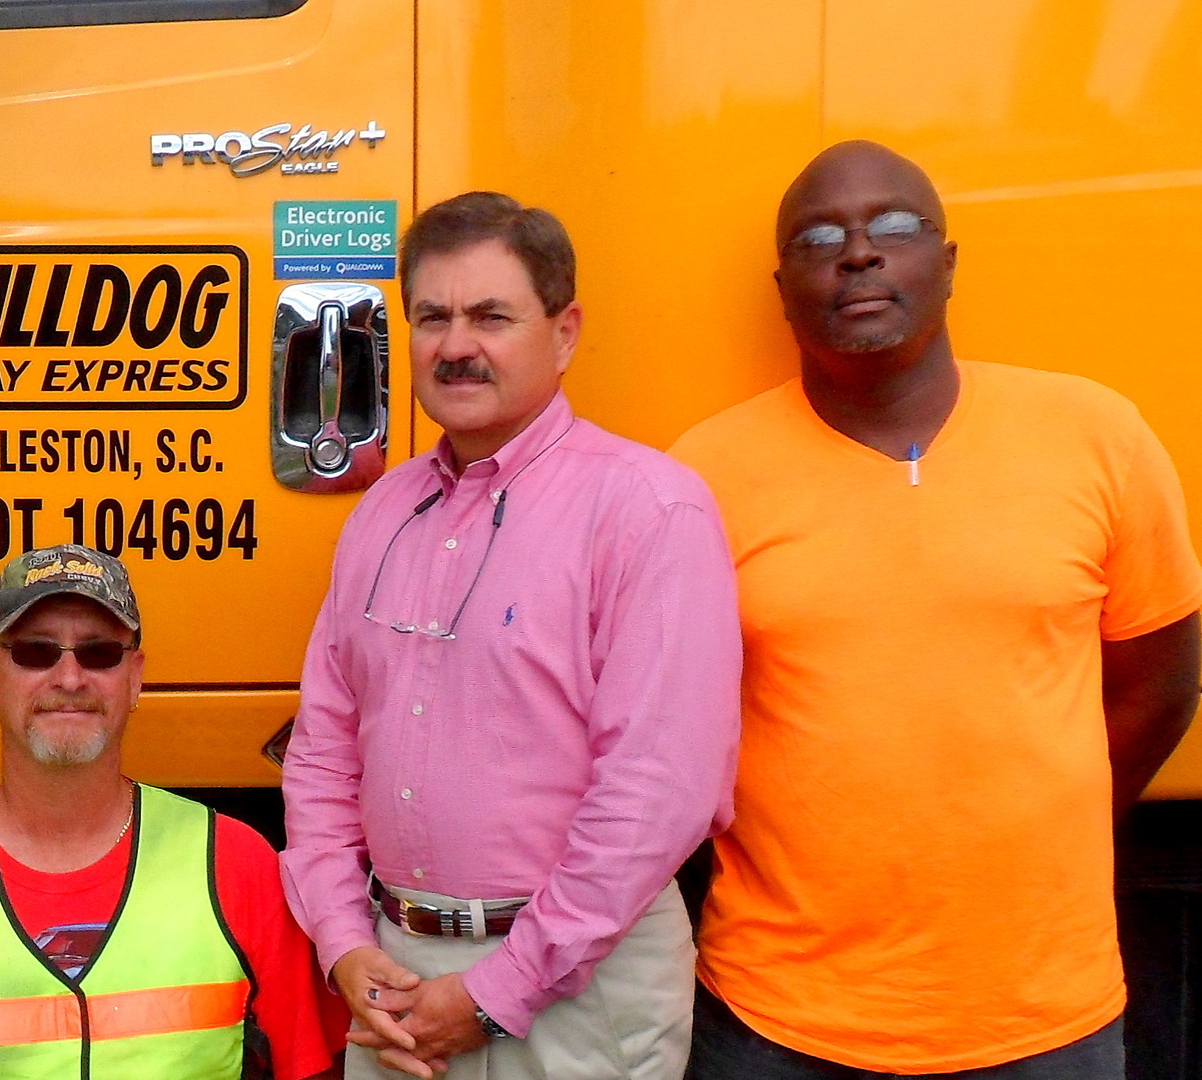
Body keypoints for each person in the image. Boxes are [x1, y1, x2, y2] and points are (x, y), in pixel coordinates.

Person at [671, 141, 1202, 1078]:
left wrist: (1051, 827)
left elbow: (1162, 686)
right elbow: (672, 730)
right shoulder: (703, 477)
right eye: (820, 237)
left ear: (948, 264)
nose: (860, 253)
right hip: (775, 1019)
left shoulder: (1098, 436)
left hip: (1045, 1015)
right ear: (784, 286)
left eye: (898, 227)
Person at [279, 191, 742, 1080]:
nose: (456, 346)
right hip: (394, 981)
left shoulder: (647, 508)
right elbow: (323, 752)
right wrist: (343, 944)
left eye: (492, 315)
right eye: (432, 317)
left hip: (581, 985)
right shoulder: (381, 513)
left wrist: (499, 989)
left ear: (564, 333)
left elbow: (657, 789)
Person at [0, 543, 347, 1079]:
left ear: (135, 676)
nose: (70, 677)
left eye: (100, 652)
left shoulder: (237, 865)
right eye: (35, 651)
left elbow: (316, 1069)